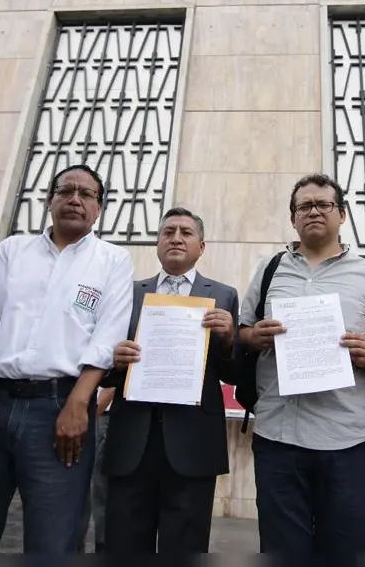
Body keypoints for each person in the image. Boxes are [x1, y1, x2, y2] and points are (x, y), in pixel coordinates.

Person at [0, 164, 133, 554]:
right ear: (50, 200)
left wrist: (79, 404)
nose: (74, 199)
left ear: (98, 209)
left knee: (53, 542)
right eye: (65, 190)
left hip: (61, 408)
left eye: (86, 194)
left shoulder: (112, 260)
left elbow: (106, 339)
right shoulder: (12, 250)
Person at [239, 174, 365, 554]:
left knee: (343, 549)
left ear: (342, 214)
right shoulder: (270, 268)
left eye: (323, 204)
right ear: (293, 218)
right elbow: (242, 331)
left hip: (346, 438)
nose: (314, 212)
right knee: (282, 549)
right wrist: (254, 336)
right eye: (304, 206)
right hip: (277, 436)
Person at [102, 207, 240, 553]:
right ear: (158, 243)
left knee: (185, 545)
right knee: (124, 543)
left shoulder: (223, 295)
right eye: (168, 232)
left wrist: (228, 340)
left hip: (194, 440)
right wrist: (113, 360)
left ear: (201, 247)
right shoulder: (129, 293)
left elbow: (232, 373)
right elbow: (105, 366)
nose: (176, 238)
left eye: (186, 232)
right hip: (133, 437)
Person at [80, 385, 114, 552]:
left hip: (100, 415)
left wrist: (91, 416)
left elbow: (110, 388)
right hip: (88, 415)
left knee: (101, 495)